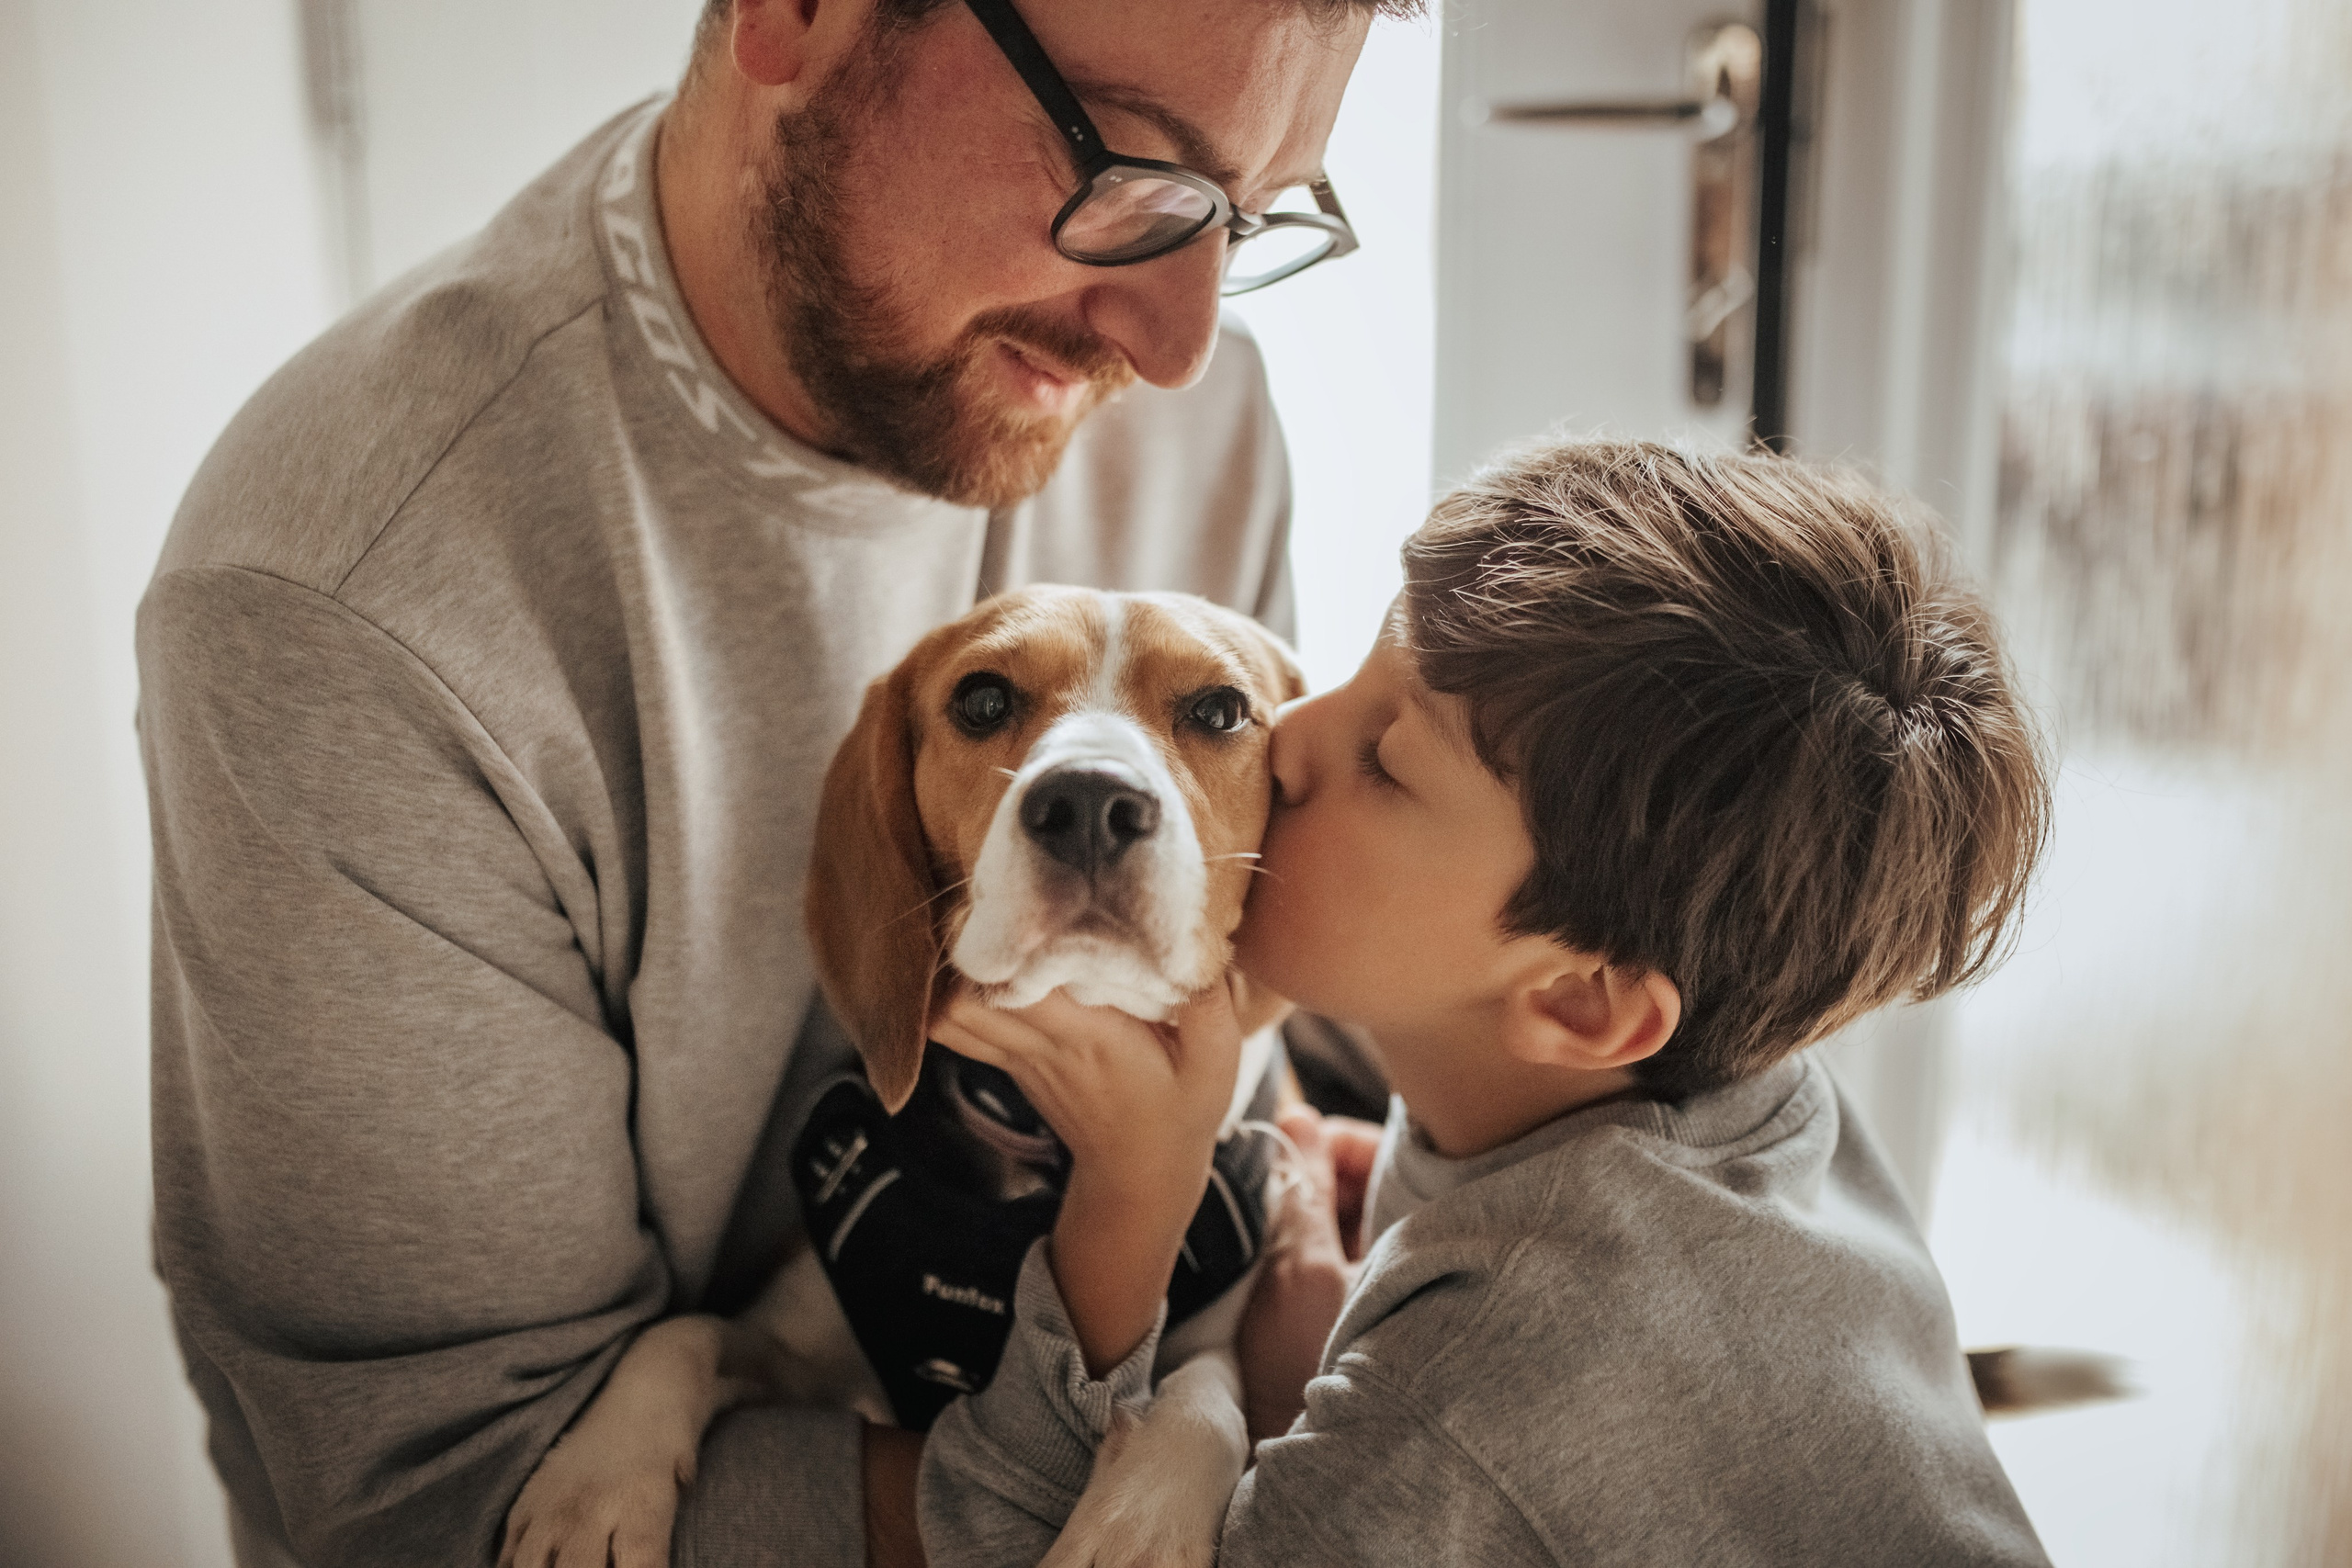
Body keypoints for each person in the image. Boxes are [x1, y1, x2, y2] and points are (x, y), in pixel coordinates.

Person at [134, 0, 1412, 1563]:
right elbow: (443, 1509)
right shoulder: (350, 602)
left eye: (1250, 218)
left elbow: (1264, 979)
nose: (1181, 339)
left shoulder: (1192, 409)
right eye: (1133, 173)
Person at [924, 437, 2058, 1566]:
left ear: (1576, 1005)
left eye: (1384, 758)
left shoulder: (1461, 1407)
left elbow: (994, 1553)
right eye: (1356, 677)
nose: (1291, 729)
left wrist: (1141, 1190)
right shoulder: (1763, 1099)